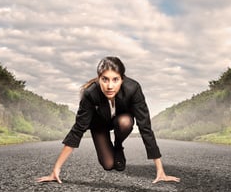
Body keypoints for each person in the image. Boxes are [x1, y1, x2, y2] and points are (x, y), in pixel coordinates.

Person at [37, 56, 180, 184]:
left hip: (122, 121)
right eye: (105, 79)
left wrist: (160, 169)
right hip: (99, 125)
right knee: (108, 164)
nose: (110, 86)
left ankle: (118, 145)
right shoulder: (90, 94)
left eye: (115, 80)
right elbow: (78, 129)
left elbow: (145, 127)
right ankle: (112, 151)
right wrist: (56, 169)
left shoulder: (133, 89)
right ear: (99, 78)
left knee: (125, 121)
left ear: (122, 79)